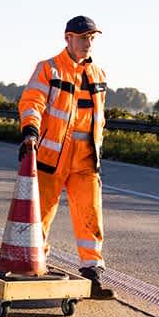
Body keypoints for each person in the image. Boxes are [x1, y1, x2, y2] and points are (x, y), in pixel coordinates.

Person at [17, 15, 115, 300]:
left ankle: (92, 273)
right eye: (83, 38)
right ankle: (33, 268)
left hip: (85, 161)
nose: (88, 44)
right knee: (41, 217)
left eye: (92, 39)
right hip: (50, 157)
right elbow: (32, 102)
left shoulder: (98, 75)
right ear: (68, 38)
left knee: (90, 217)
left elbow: (99, 118)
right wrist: (30, 133)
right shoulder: (49, 69)